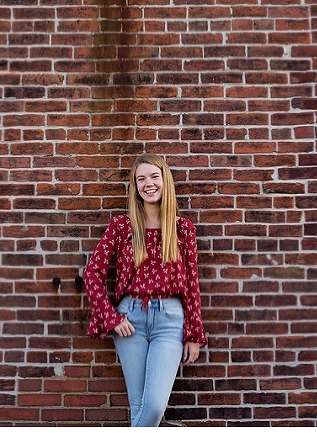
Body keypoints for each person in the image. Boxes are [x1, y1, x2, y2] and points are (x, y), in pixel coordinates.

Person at [83, 153, 207, 427]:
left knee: (153, 407)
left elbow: (192, 283)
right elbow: (92, 272)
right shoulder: (122, 226)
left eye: (154, 176)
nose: (148, 184)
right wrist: (111, 317)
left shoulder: (182, 229)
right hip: (130, 321)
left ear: (165, 181)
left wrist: (193, 334)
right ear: (135, 186)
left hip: (170, 321)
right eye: (141, 179)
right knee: (138, 406)